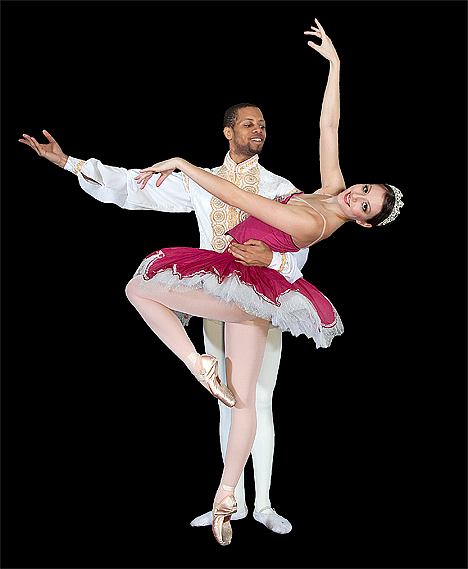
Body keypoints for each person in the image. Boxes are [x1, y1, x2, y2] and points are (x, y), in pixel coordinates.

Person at [124, 18, 403, 546]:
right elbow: (329, 128)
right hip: (256, 293)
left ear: (362, 221)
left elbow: (239, 201)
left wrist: (185, 163)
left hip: (244, 283)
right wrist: (337, 67)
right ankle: (226, 499)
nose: (354, 195)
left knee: (141, 286)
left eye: (362, 204)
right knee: (244, 401)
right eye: (363, 188)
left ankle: (197, 363)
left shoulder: (313, 221)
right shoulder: (330, 190)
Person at [19, 99, 309, 534]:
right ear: (227, 132)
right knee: (225, 401)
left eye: (263, 124)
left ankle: (264, 502)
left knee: (258, 400)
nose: (258, 129)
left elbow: (300, 240)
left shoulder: (278, 186)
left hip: (260, 297)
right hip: (214, 293)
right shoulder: (201, 181)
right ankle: (233, 502)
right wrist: (69, 164)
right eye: (249, 123)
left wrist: (273, 259)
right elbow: (136, 187)